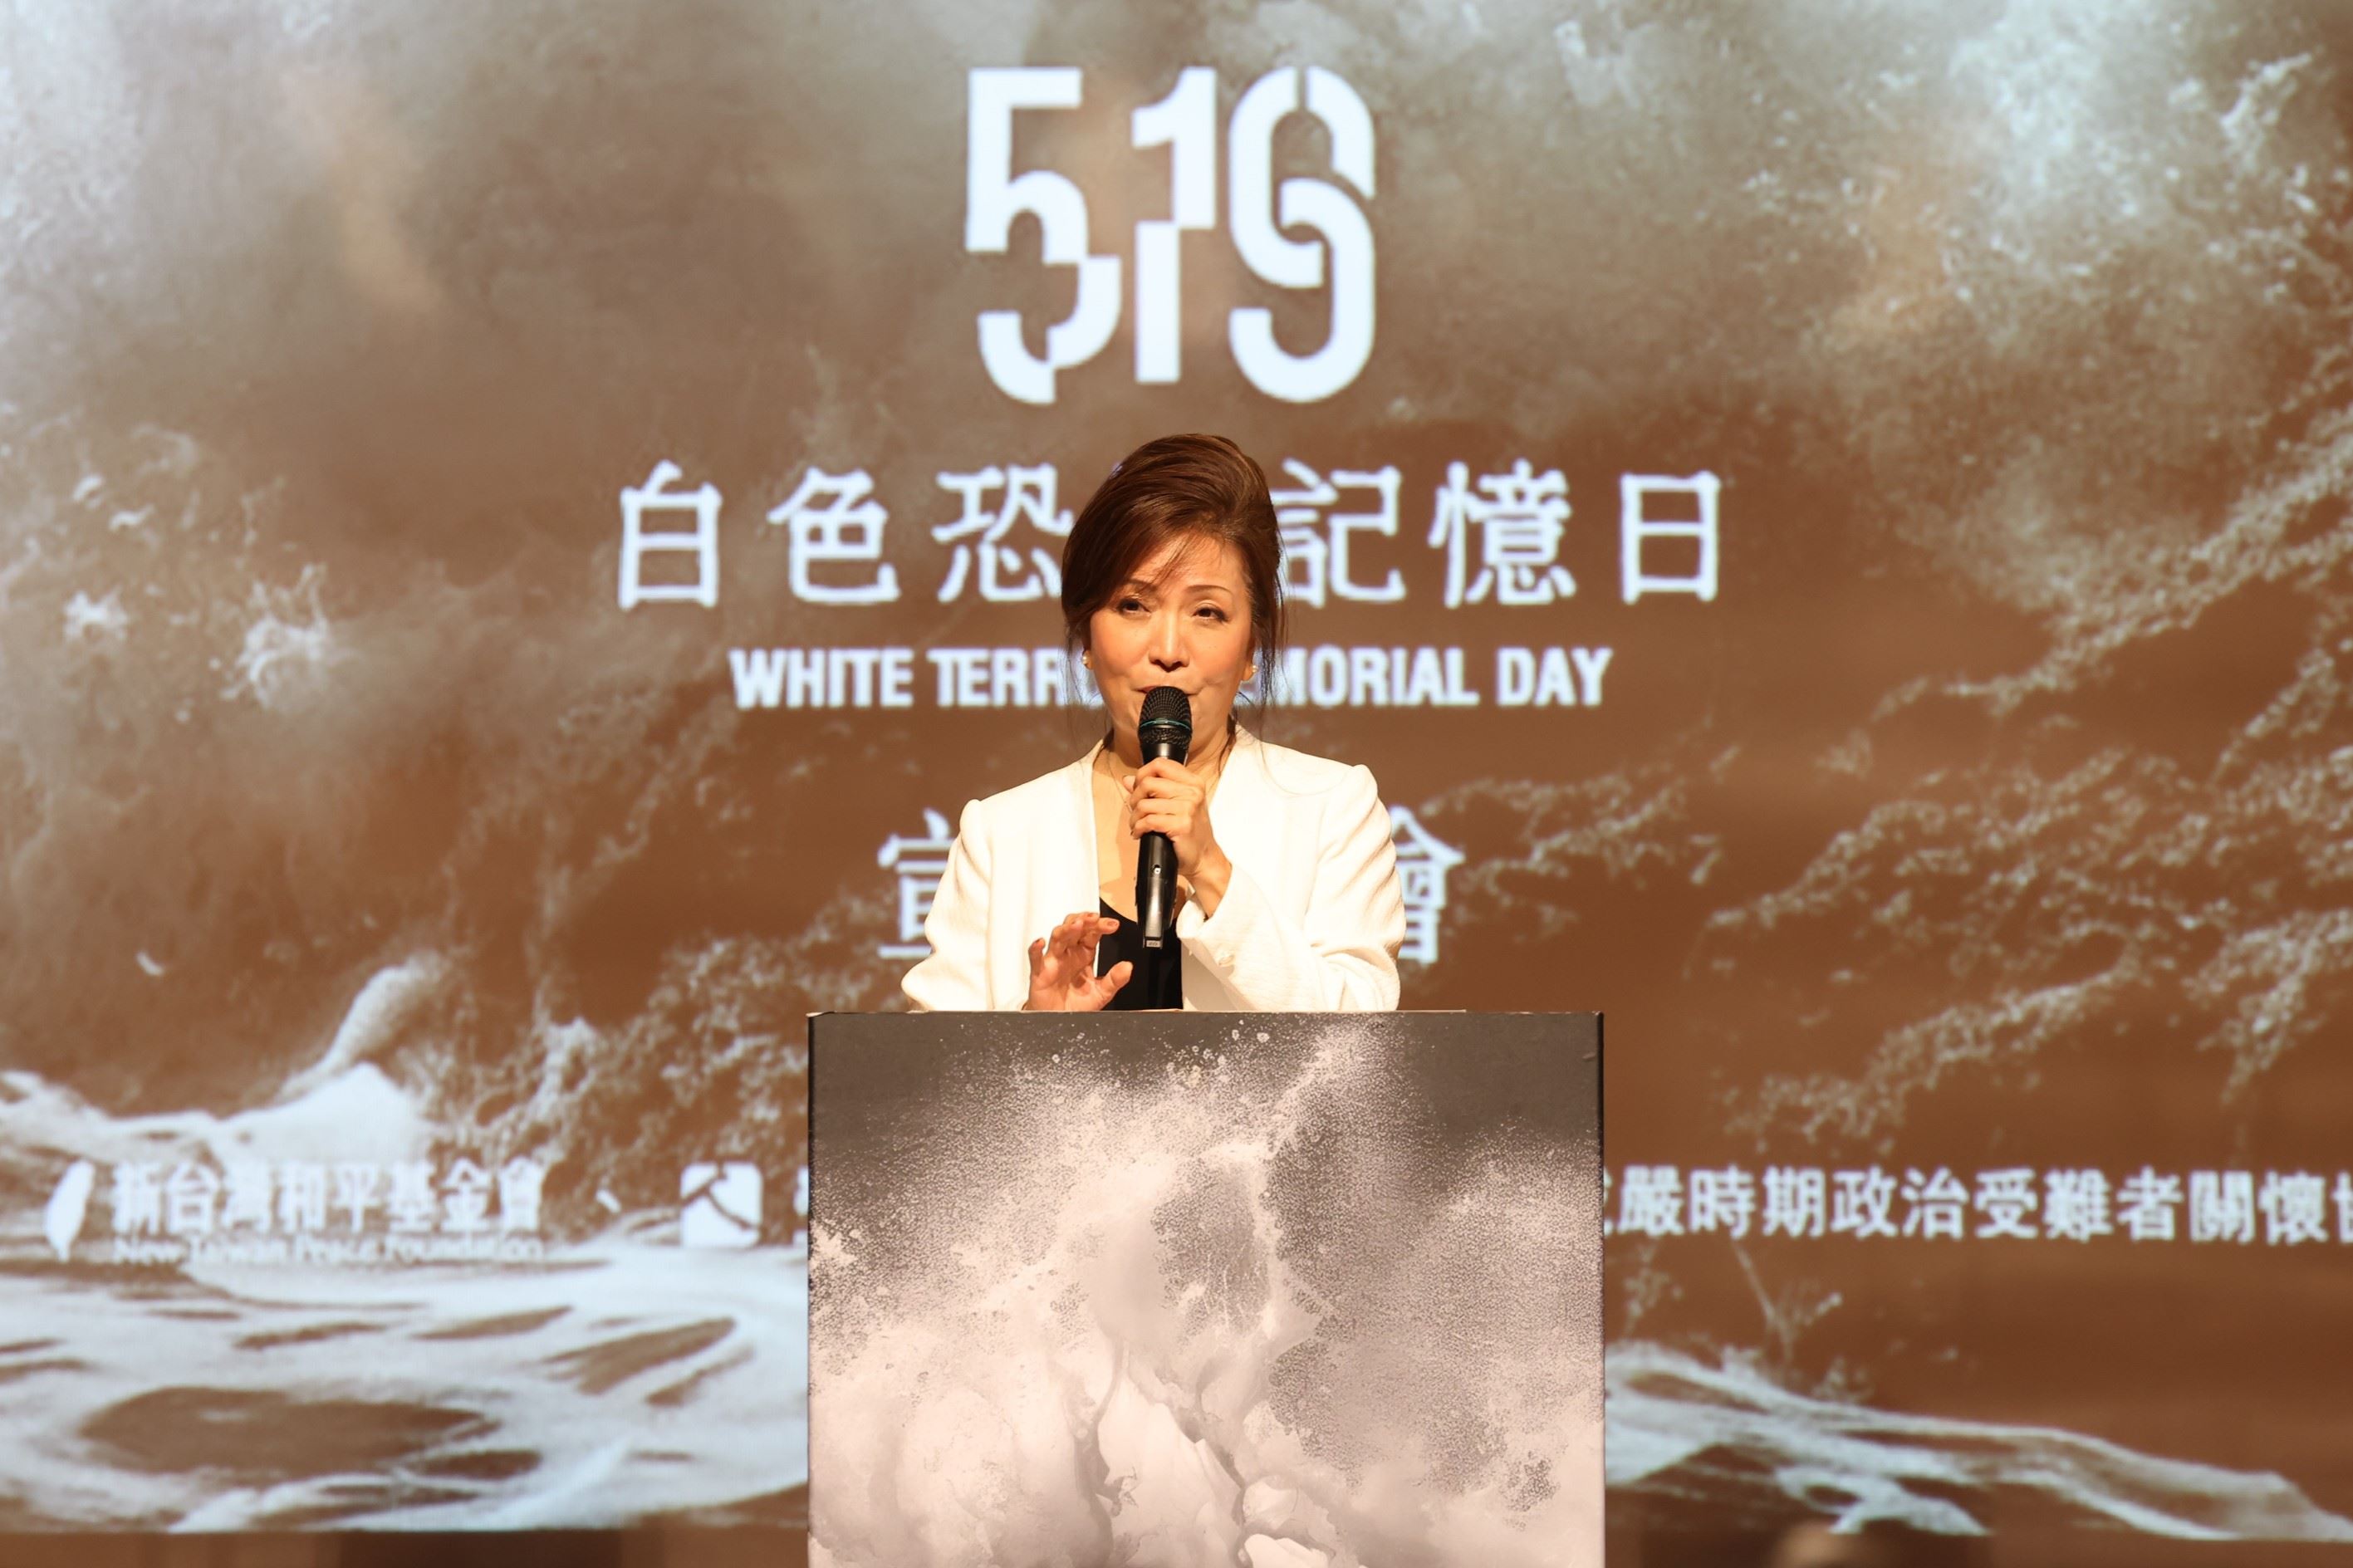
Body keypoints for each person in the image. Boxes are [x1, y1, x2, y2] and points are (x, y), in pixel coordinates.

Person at [900, 434, 1407, 1012]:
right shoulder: (1001, 834)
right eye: (1134, 606)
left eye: (1207, 612)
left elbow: (1363, 1031)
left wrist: (1214, 872)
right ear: (1086, 637)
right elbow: (929, 1060)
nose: (1167, 650)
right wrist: (1036, 1033)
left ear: (1250, 650)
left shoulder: (1331, 808)